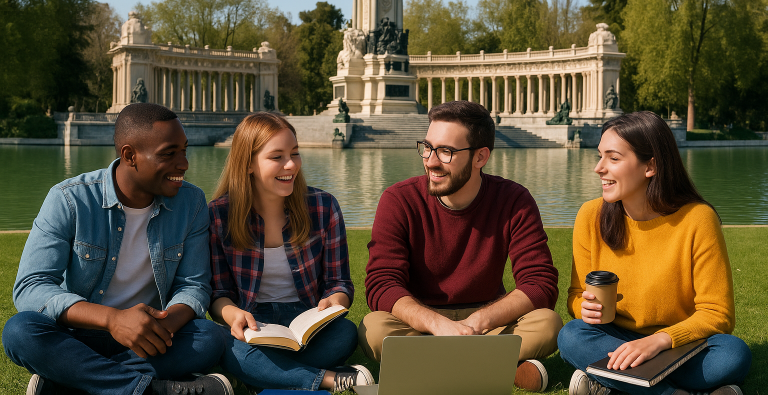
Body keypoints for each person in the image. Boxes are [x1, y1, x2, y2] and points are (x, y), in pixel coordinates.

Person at [2, 103, 231, 395]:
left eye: (185, 150)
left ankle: (69, 381)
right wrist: (113, 320)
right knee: (21, 331)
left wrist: (167, 322)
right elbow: (31, 287)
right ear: (129, 155)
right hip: (78, 334)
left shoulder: (192, 202)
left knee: (210, 336)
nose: (184, 163)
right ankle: (153, 390)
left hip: (151, 336)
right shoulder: (69, 199)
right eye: (169, 154)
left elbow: (194, 285)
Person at [359, 100, 563, 392]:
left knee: (548, 323)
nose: (430, 161)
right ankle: (497, 368)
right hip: (421, 324)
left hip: (487, 323)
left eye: (446, 152)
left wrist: (477, 322)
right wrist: (437, 325)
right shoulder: (398, 199)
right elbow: (382, 283)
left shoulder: (514, 200)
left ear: (480, 157)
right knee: (374, 329)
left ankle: (427, 366)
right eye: (427, 147)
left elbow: (540, 283)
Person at [558, 111, 752, 395]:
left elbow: (717, 313)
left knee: (732, 355)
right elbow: (576, 295)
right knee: (572, 336)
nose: (599, 168)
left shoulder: (698, 219)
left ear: (650, 166)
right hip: (616, 339)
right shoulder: (590, 215)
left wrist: (659, 341)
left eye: (613, 158)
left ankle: (612, 384)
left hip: (679, 344)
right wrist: (583, 307)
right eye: (600, 156)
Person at [208, 112, 373, 392]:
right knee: (223, 344)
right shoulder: (218, 215)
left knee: (346, 333)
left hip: (308, 319)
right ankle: (332, 379)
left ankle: (264, 374)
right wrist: (232, 314)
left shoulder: (323, 206)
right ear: (248, 163)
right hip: (253, 322)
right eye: (277, 156)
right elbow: (218, 293)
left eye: (295, 153)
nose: (291, 165)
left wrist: (335, 301)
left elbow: (339, 282)